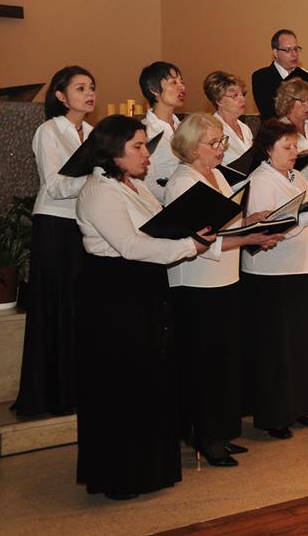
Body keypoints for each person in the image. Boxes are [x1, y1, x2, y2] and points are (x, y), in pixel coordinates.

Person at [74, 115, 210, 500]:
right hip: (113, 294)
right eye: (137, 146)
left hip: (142, 288)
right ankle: (122, 474)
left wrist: (194, 231)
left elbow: (160, 225)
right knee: (122, 381)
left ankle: (151, 468)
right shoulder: (99, 192)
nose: (146, 154)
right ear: (113, 152)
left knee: (150, 377)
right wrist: (189, 247)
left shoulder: (133, 185)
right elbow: (130, 246)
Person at [165, 114, 283, 466]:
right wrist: (248, 237)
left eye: (222, 143)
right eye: (214, 143)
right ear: (191, 145)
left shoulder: (216, 175)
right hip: (196, 282)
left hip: (225, 279)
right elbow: (198, 238)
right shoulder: (182, 183)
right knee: (203, 362)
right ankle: (203, 434)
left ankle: (221, 430)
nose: (221, 149)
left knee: (224, 361)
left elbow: (222, 223)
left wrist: (250, 220)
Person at [240, 119, 308, 439]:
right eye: (287, 147)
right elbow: (265, 228)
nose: (294, 152)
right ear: (268, 150)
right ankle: (275, 415)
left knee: (301, 344)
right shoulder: (260, 180)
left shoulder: (297, 177)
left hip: (301, 268)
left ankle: (301, 406)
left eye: (295, 146)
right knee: (276, 348)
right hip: (272, 273)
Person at [13, 66, 96, 417]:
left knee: (81, 307)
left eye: (92, 87)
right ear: (61, 96)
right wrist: (98, 176)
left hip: (85, 224)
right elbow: (55, 186)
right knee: (56, 307)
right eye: (80, 87)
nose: (89, 93)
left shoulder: (93, 133)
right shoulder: (49, 131)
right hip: (55, 225)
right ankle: (50, 393)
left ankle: (79, 388)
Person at [140, 61, 186, 203]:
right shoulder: (144, 132)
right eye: (173, 82)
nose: (182, 87)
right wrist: (178, 199)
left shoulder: (184, 128)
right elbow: (146, 183)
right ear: (154, 89)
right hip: (163, 205)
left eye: (181, 82)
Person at [274, 77, 308, 183]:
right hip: (298, 183)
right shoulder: (279, 130)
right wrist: (300, 157)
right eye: (304, 102)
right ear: (289, 102)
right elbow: (276, 167)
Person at [204, 71, 254, 167]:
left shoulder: (245, 128)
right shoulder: (211, 129)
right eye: (235, 96)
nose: (242, 99)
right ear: (219, 101)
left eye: (242, 94)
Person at [251, 28, 301, 121]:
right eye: (288, 50)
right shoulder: (262, 77)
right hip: (276, 131)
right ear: (275, 53)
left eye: (296, 49)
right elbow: (269, 113)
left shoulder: (303, 78)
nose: (294, 54)